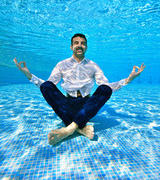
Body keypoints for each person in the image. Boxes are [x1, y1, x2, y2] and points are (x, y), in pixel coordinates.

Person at [13, 33, 145, 145]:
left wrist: (128, 79)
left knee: (104, 88)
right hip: (66, 104)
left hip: (87, 105)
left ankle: (69, 129)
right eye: (76, 43)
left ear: (86, 47)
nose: (79, 45)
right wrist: (28, 74)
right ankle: (80, 128)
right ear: (71, 47)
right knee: (47, 86)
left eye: (82, 43)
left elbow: (107, 87)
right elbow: (49, 86)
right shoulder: (62, 64)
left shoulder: (93, 65)